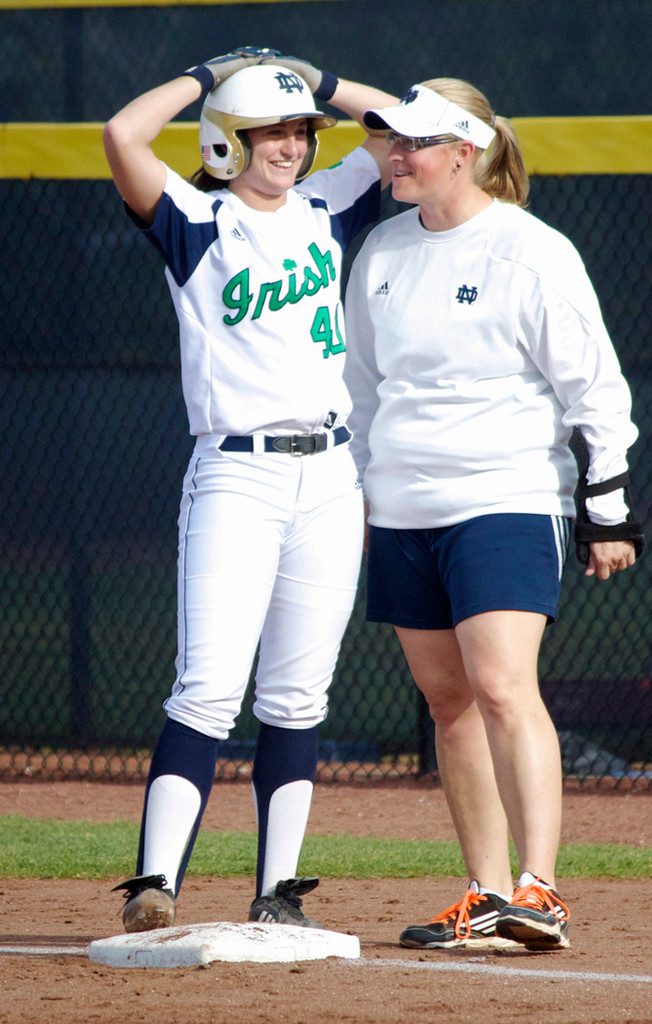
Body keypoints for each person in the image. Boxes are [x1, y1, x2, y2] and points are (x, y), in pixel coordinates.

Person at [344, 79, 643, 952]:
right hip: (404, 502)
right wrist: (362, 490)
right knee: (447, 702)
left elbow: (597, 390)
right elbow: (361, 389)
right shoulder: (382, 251)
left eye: (416, 143)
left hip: (506, 494)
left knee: (505, 687)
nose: (397, 156)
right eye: (392, 140)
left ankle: (539, 889)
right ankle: (482, 891)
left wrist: (608, 509)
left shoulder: (530, 249)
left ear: (465, 150)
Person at [103, 47, 395, 933]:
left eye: (300, 131)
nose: (293, 146)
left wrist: (321, 81)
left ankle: (278, 894)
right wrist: (204, 74)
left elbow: (399, 127)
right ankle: (155, 886)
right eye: (271, 130)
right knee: (208, 689)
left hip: (331, 476)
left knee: (299, 697)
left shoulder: (329, 203)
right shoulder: (195, 216)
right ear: (226, 140)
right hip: (237, 472)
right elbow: (122, 132)